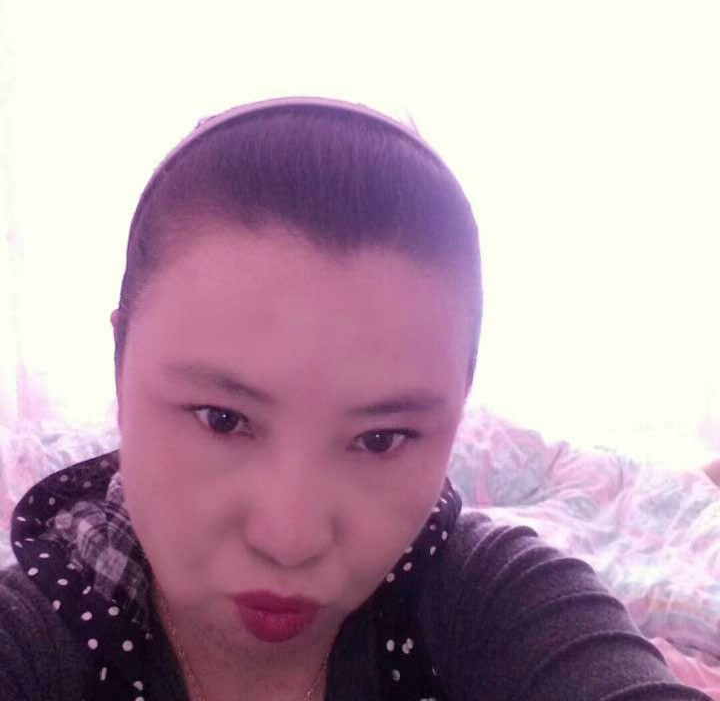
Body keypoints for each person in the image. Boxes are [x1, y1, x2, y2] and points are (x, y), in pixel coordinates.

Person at [0, 97, 711, 701]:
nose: (289, 539)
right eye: (223, 420)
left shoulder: (495, 599)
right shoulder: (36, 633)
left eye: (381, 439)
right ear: (120, 366)